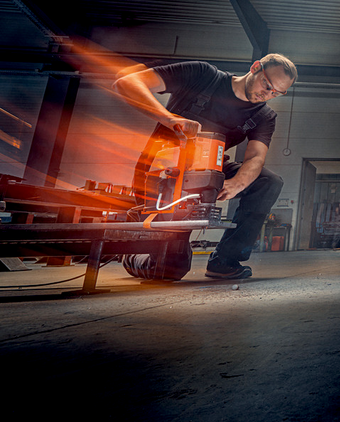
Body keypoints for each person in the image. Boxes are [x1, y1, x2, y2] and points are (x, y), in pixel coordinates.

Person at [113, 54, 297, 280]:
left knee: (269, 182)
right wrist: (169, 119)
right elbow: (127, 82)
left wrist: (236, 184)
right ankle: (131, 256)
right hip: (163, 173)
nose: (267, 95)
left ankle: (225, 260)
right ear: (255, 67)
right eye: (266, 85)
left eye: (276, 93)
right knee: (169, 270)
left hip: (208, 172)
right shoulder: (202, 75)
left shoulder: (263, 115)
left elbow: (256, 157)